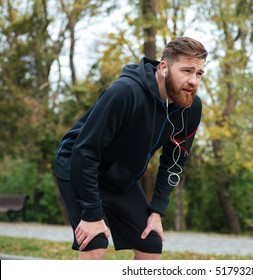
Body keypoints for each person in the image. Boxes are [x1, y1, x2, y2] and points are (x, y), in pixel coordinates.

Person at [53, 37, 208, 260]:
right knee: (95, 241)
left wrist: (157, 211)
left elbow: (175, 161)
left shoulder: (190, 108)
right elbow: (85, 151)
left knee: (150, 244)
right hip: (78, 165)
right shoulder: (125, 92)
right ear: (164, 68)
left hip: (119, 179)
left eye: (199, 73)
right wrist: (91, 214)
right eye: (186, 71)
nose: (193, 80)